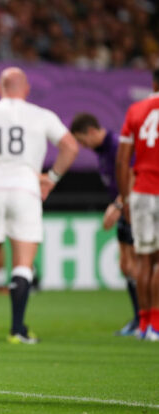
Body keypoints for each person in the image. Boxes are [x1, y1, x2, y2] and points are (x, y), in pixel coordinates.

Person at [0, 67, 78, 344]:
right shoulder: (42, 115)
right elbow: (70, 147)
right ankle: (17, 330)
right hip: (26, 189)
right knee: (22, 263)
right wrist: (51, 179)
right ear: (26, 89)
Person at [70, 112, 139, 336]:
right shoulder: (102, 151)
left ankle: (148, 318)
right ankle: (139, 319)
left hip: (135, 208)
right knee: (126, 265)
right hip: (125, 208)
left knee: (140, 265)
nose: (83, 146)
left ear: (91, 131)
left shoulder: (118, 146)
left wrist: (118, 205)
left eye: (82, 140)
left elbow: (134, 175)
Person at [116, 68, 159, 341]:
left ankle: (144, 325)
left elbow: (122, 161)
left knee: (144, 260)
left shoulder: (136, 110)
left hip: (141, 192)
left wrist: (125, 199)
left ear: (153, 83)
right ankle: (156, 324)